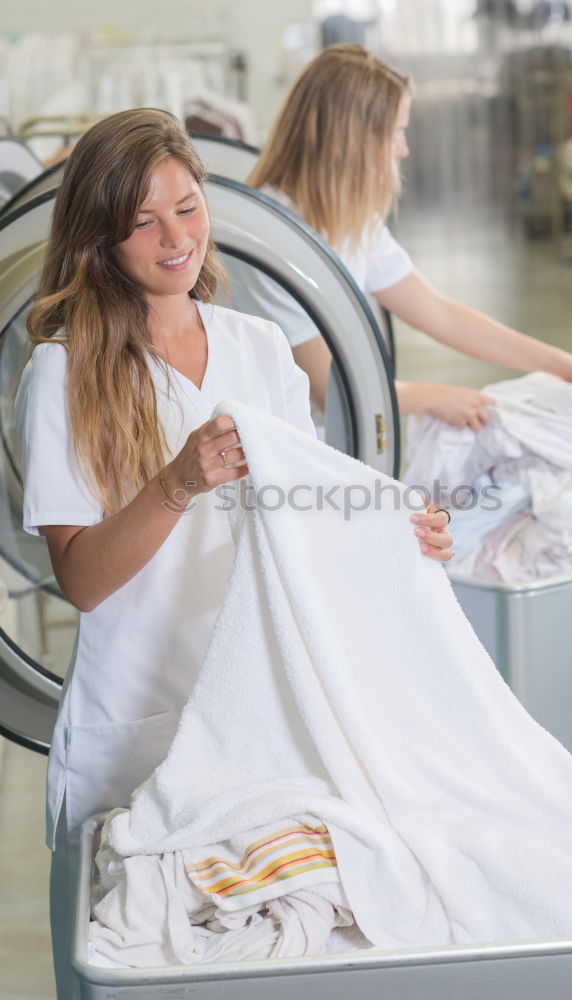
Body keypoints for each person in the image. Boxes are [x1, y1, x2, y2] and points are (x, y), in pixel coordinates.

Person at [14, 108, 453, 998]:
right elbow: (83, 580)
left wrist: (397, 530)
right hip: (133, 735)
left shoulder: (255, 349)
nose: (175, 237)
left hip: (255, 718)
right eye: (142, 220)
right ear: (99, 236)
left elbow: (310, 518)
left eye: (186, 207)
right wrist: (177, 481)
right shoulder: (63, 373)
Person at [244, 43, 572, 432]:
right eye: (396, 133)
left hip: (330, 435)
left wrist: (567, 366)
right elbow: (327, 390)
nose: (403, 150)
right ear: (351, 140)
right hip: (281, 452)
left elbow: (440, 314)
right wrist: (430, 396)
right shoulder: (277, 239)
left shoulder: (346, 219)